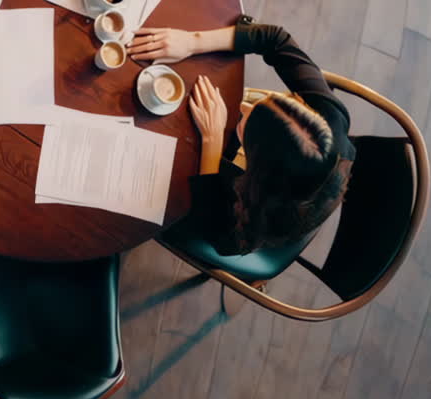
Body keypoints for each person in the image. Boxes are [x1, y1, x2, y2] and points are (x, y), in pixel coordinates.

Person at [128, 16, 356, 255]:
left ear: (255, 166)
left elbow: (217, 236)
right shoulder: (332, 115)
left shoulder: (259, 216)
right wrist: (191, 42)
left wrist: (213, 141)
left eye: (247, 123)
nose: (243, 108)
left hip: (232, 220)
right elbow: (275, 38)